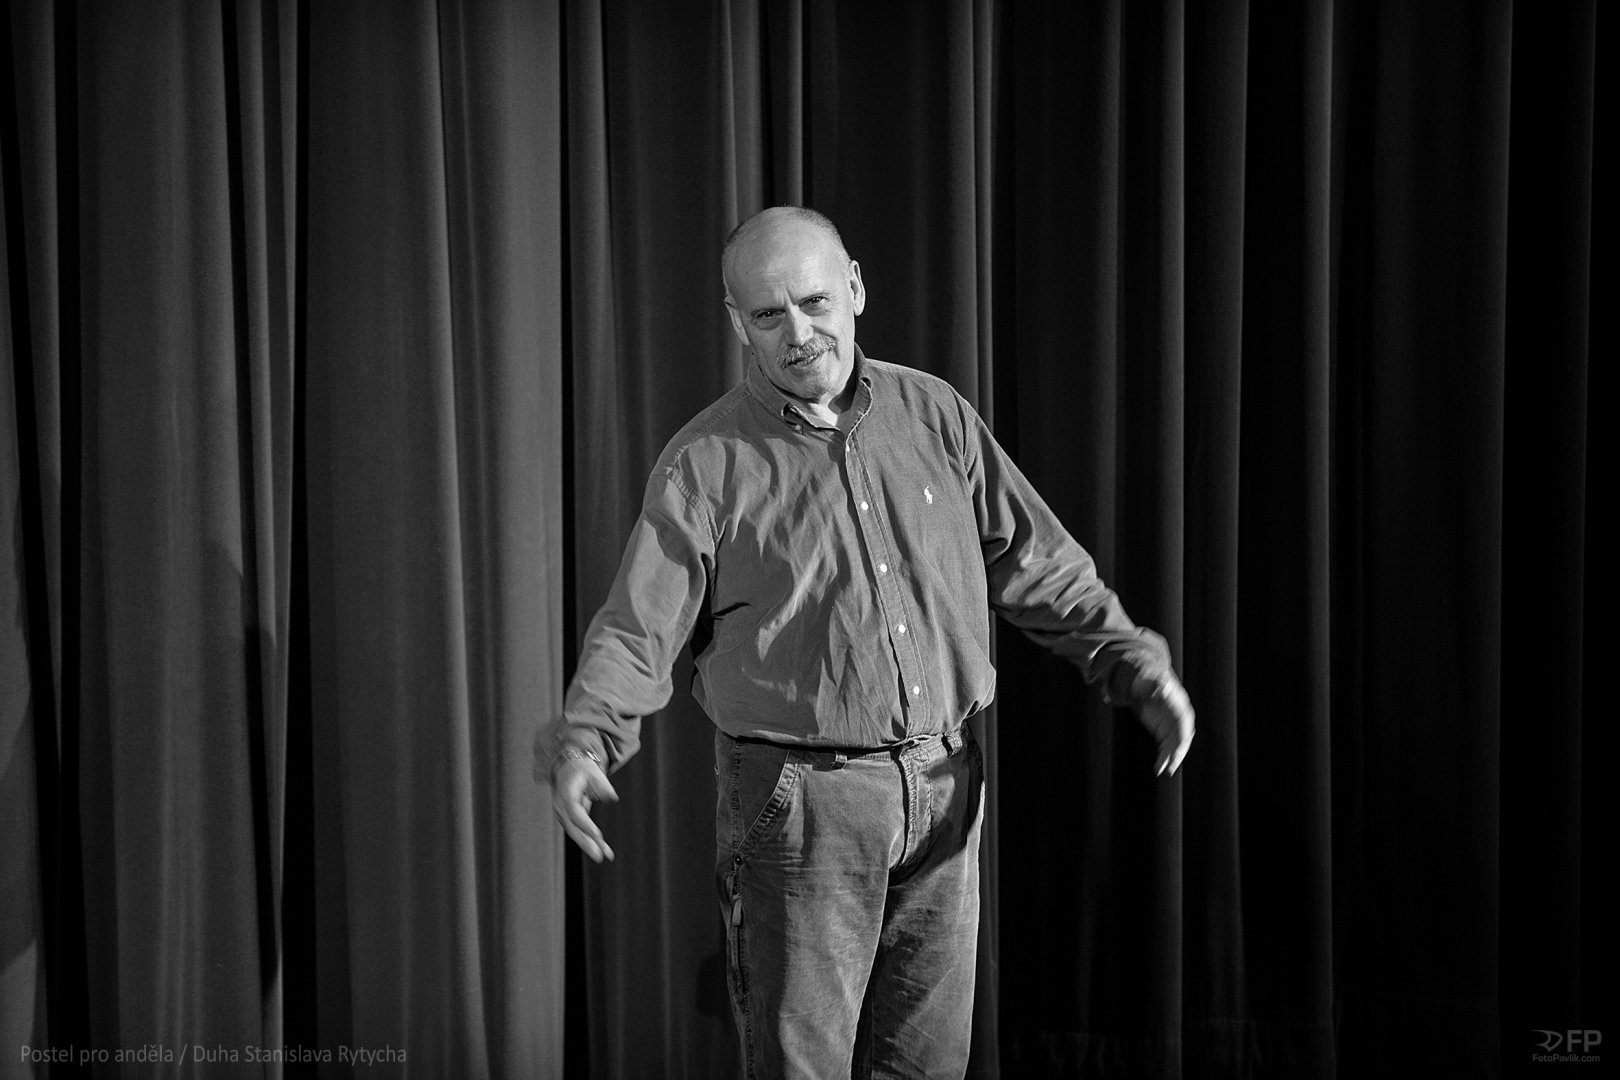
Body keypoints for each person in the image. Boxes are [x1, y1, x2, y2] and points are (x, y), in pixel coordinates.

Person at [539, 206, 1195, 1079]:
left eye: (814, 301)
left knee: (930, 1068)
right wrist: (587, 740)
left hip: (947, 785)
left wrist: (1133, 662)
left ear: (854, 289)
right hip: (801, 807)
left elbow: (1037, 562)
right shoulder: (704, 462)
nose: (798, 333)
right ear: (737, 322)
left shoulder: (935, 413)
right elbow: (638, 625)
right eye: (768, 314)